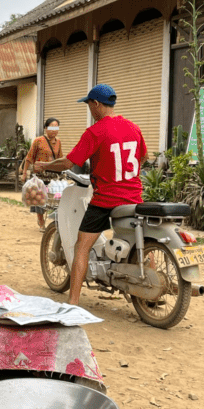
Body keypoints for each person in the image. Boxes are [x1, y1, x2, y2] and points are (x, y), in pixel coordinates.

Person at [36, 84, 146, 307]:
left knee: (81, 247)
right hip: (134, 198)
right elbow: (141, 159)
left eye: (88, 104)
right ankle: (148, 297)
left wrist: (44, 165)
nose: (89, 109)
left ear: (96, 104)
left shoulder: (95, 131)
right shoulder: (133, 128)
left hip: (106, 200)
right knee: (140, 240)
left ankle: (73, 301)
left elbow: (69, 162)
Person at [22, 117, 63, 230]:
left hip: (53, 175)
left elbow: (60, 158)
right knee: (40, 198)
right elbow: (29, 158)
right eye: (51, 127)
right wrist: (24, 173)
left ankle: (55, 222)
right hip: (40, 175)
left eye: (56, 127)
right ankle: (41, 221)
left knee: (55, 198)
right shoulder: (38, 141)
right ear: (45, 128)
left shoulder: (58, 142)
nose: (54, 130)